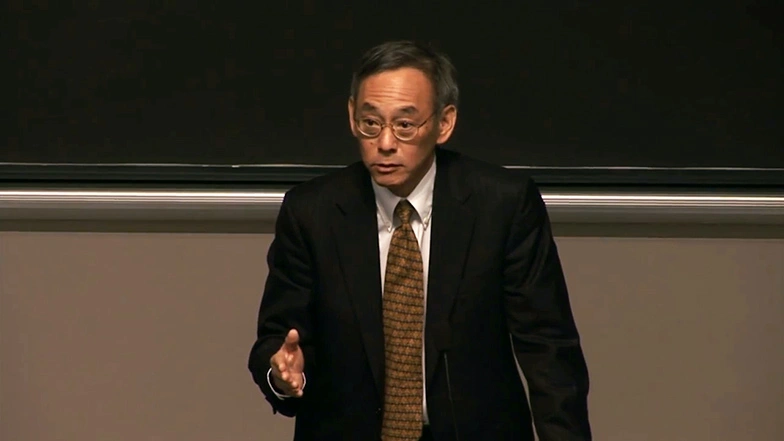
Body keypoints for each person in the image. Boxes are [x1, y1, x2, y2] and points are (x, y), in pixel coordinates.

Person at [248, 40, 591, 441]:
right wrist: (281, 373)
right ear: (351, 116)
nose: (386, 142)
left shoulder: (502, 205)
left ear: (444, 124)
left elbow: (548, 350)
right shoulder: (312, 212)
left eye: (405, 125)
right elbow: (277, 341)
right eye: (370, 123)